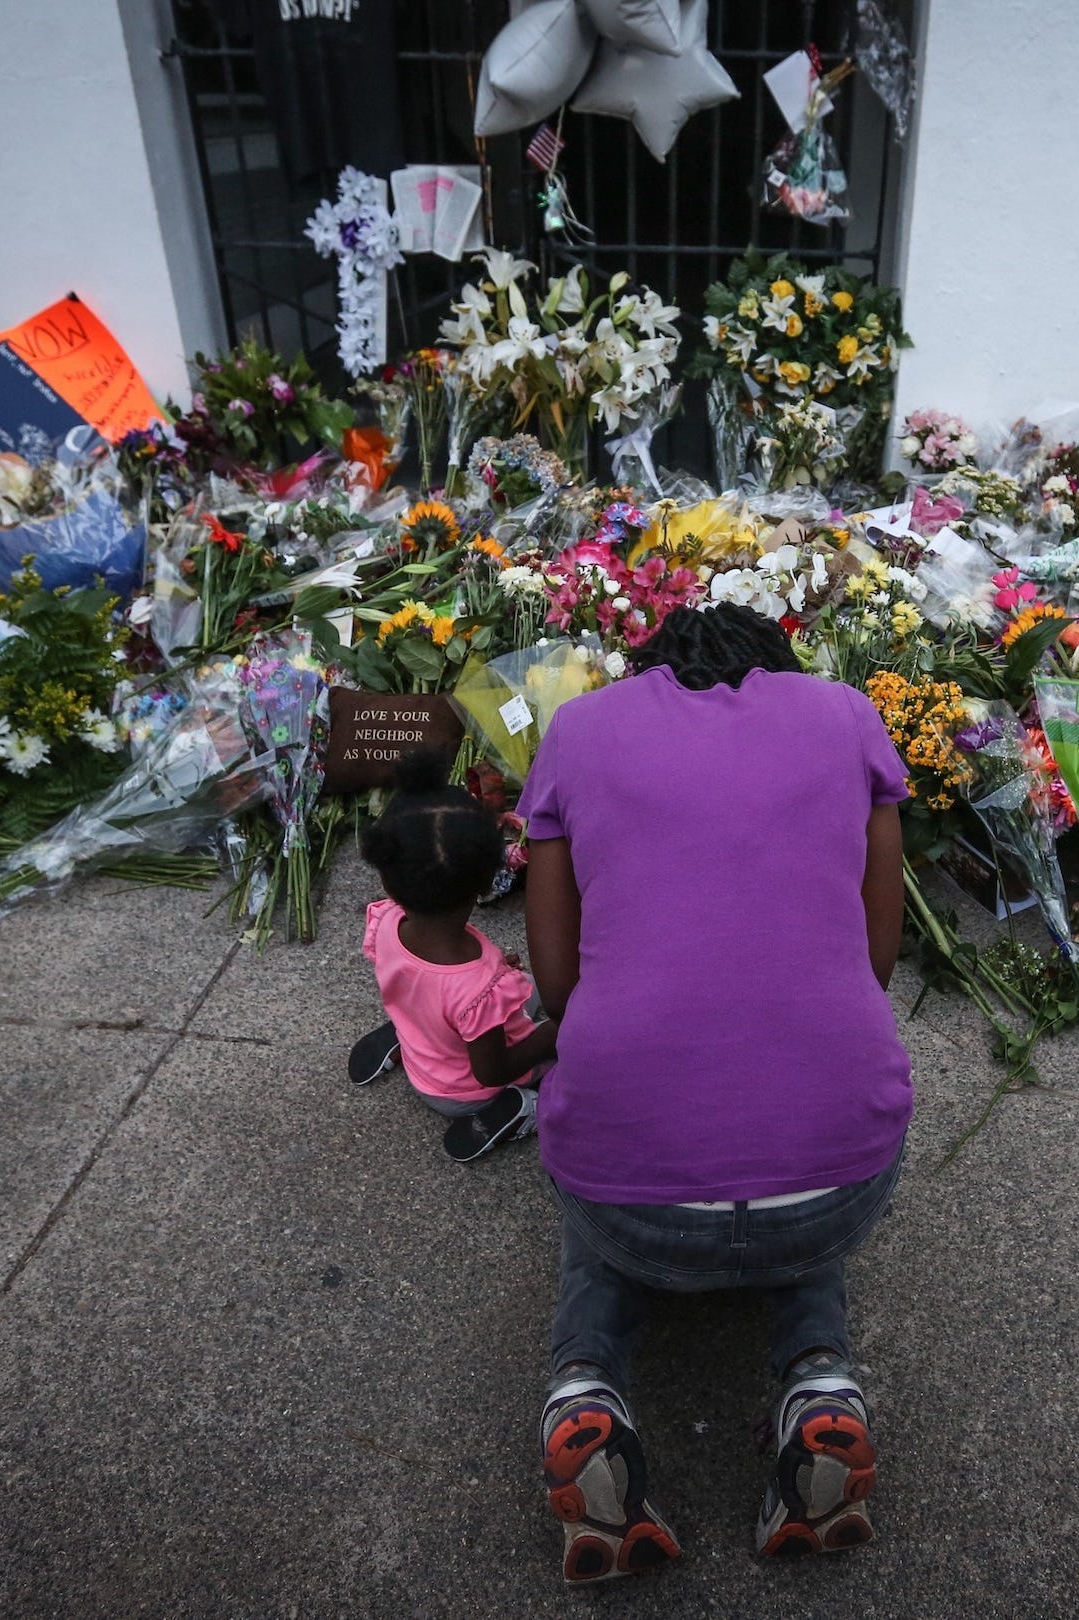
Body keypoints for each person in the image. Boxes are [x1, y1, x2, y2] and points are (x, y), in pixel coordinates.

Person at [517, 602, 912, 1582]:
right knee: (799, 1134)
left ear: (654, 668)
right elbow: (878, 957)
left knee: (601, 1127)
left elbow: (560, 989)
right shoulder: (849, 715)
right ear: (779, 669)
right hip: (836, 1185)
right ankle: (821, 1387)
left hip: (634, 1210)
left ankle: (586, 1393)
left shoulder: (578, 729)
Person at [352, 749, 557, 1162]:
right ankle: (520, 1110)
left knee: (522, 990)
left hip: (427, 1047)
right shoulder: (478, 986)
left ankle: (409, 1037)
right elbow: (493, 1070)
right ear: (486, 882)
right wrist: (555, 1032)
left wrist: (495, 981)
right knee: (569, 1065)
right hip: (467, 1094)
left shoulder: (387, 920)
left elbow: (429, 978)